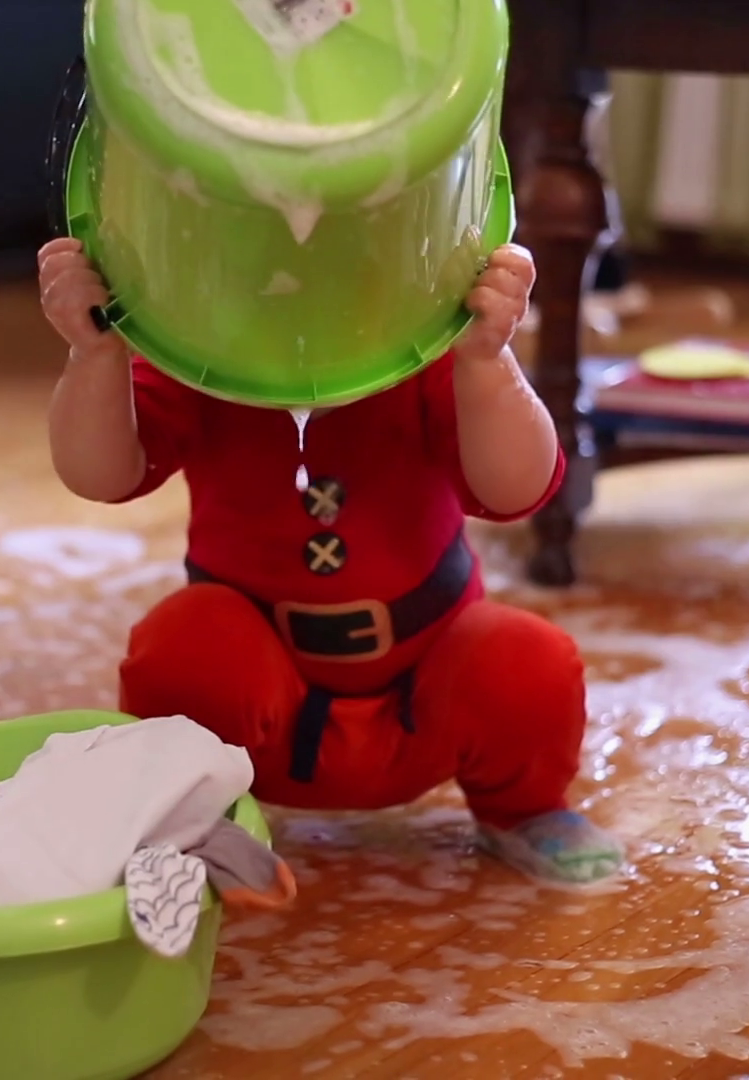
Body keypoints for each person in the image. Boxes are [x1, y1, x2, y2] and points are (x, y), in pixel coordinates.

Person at [36, 236, 624, 884]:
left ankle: (523, 810)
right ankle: (194, 819)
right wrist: (95, 355)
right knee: (180, 649)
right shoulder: (202, 357)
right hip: (256, 710)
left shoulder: (427, 354)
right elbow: (100, 474)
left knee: (527, 663)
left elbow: (517, 487)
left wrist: (486, 359)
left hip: (424, 691)